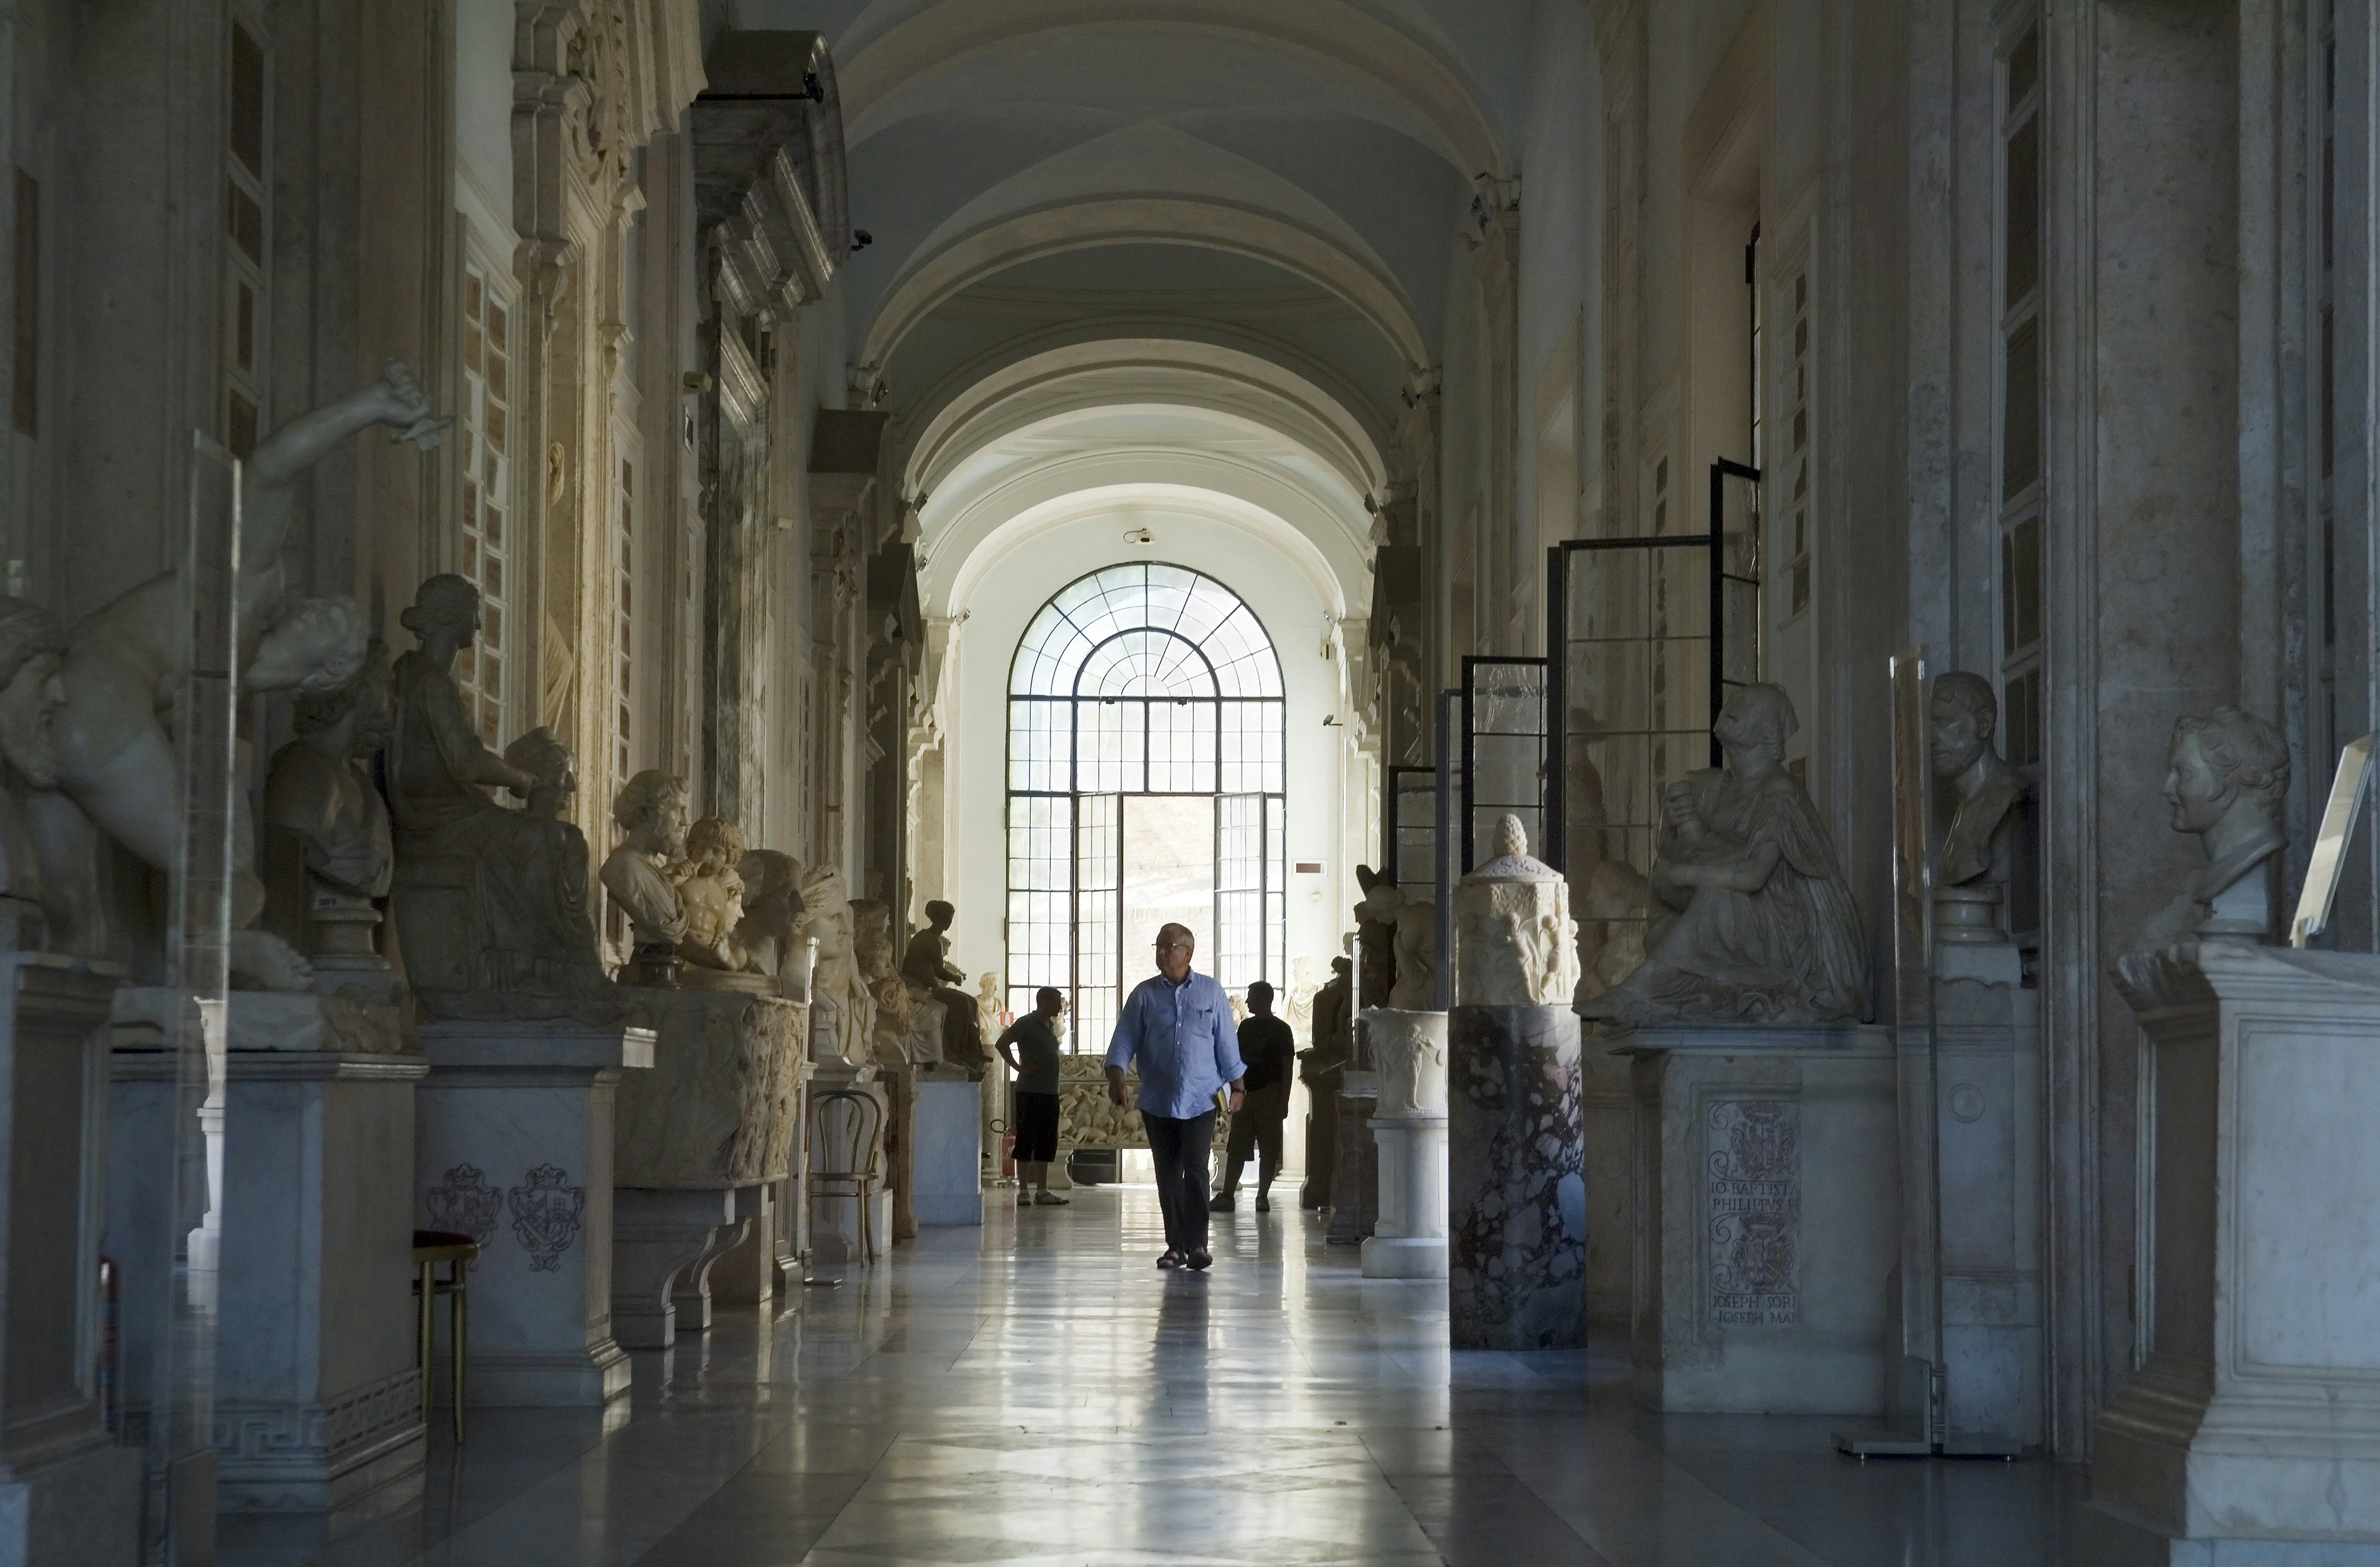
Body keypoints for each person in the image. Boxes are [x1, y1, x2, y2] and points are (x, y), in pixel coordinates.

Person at [1106, 923, 1245, 1271]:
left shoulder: (1211, 992)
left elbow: (1226, 1044)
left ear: (1188, 953)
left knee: (1197, 1168)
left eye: (1170, 946)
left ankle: (1197, 1244)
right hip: (1158, 1100)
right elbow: (1124, 1039)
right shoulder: (1144, 995)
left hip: (1201, 1100)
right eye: (1160, 946)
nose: (1164, 953)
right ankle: (1175, 1246)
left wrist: (1238, 1086)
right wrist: (1117, 1075)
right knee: (1168, 1172)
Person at [1212, 981, 1294, 1213]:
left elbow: (1287, 1067)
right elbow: (1235, 1060)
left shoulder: (1282, 1030)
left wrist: (1283, 1101)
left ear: (1264, 999)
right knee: (1237, 1145)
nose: (1247, 1002)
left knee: (1269, 1149)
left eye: (1251, 997)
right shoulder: (1245, 1028)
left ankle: (1262, 1196)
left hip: (1270, 1094)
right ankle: (1228, 1195)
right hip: (1246, 1094)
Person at [997, 987, 1069, 1207]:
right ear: (1045, 1001)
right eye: (1058, 1001)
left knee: (1046, 1142)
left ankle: (1043, 1191)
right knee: (1026, 1140)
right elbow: (1002, 1044)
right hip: (1030, 1091)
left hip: (1050, 1092)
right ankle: (1024, 1191)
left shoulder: (1050, 1026)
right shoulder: (1026, 1023)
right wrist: (1019, 1067)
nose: (1061, 1006)